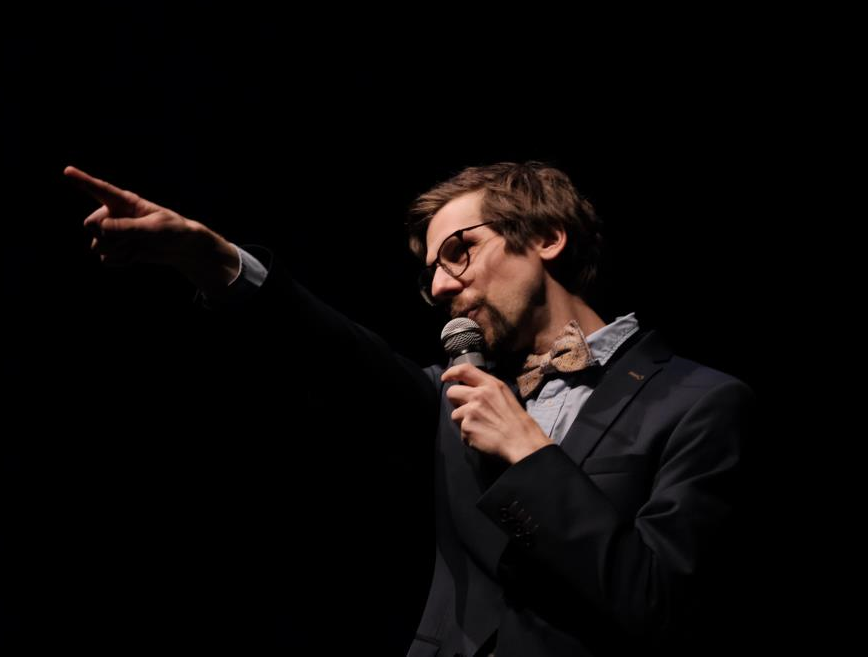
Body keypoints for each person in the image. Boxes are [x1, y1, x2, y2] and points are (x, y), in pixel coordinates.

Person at [68, 161, 755, 656]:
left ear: (547, 239)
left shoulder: (699, 403)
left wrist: (531, 455)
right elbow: (335, 352)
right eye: (431, 273)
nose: (442, 285)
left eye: (461, 251)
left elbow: (662, 607)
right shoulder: (455, 399)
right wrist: (214, 260)